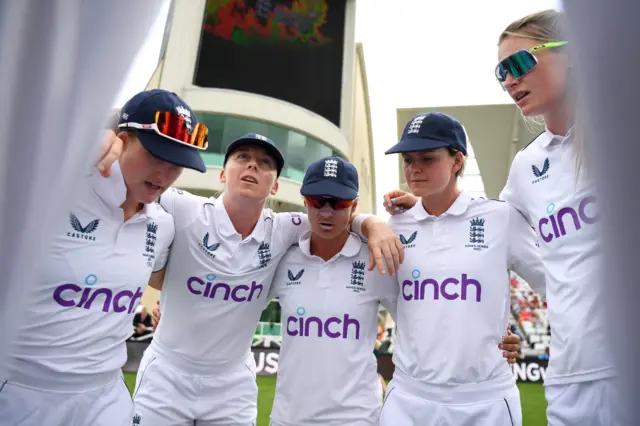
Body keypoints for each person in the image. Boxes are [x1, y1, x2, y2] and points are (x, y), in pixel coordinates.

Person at [98, 133, 403, 425]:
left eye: (265, 162)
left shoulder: (288, 228)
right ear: (221, 174)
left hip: (231, 384)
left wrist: (374, 224)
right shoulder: (182, 207)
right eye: (242, 157)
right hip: (167, 371)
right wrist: (109, 141)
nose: (253, 165)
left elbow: (342, 219)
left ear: (275, 187)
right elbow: (131, 188)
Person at [0, 89, 208, 426]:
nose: (165, 176)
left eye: (178, 165)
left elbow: (167, 278)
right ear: (121, 140)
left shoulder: (162, 224)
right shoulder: (52, 191)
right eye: (157, 156)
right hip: (22, 391)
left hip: (105, 397)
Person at [377, 112, 545, 426]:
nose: (414, 168)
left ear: (457, 160)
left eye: (427, 158)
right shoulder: (395, 225)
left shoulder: (500, 218)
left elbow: (554, 282)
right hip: (408, 400)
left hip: (485, 402)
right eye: (408, 159)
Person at [267, 156, 399, 426]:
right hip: (289, 417)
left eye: (338, 204)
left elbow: (420, 320)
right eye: (317, 202)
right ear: (305, 201)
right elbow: (238, 304)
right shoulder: (283, 258)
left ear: (354, 207)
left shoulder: (375, 258)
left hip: (355, 417)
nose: (326, 213)